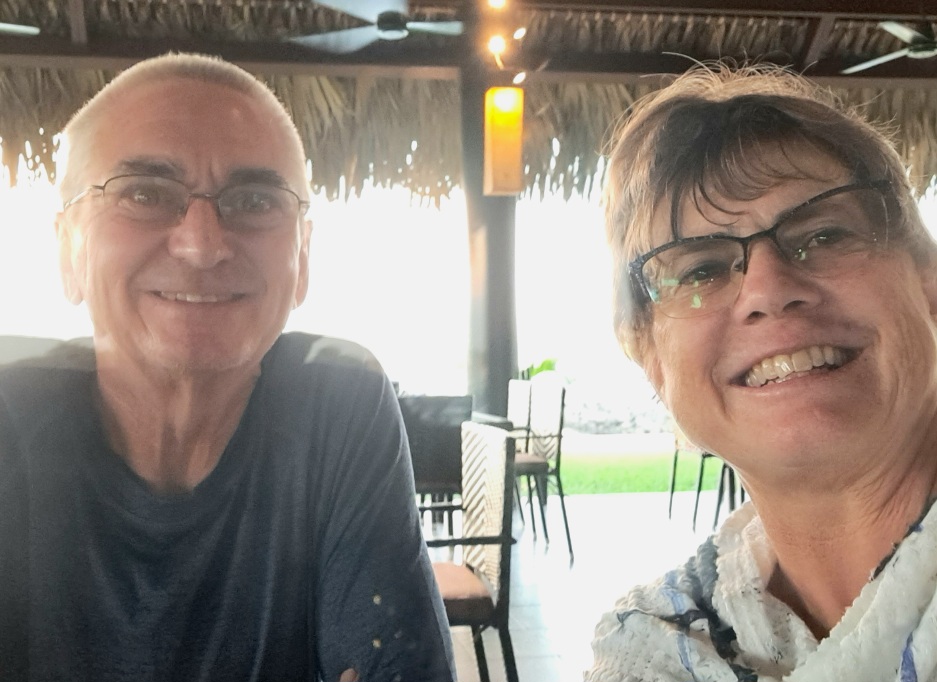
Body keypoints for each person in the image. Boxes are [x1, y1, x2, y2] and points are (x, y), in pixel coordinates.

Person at [0, 52, 455, 682]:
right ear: (68, 249)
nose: (203, 244)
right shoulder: (10, 415)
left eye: (254, 200)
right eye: (143, 194)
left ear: (302, 257)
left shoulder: (337, 405)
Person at [587, 61, 937, 681]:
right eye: (700, 270)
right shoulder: (651, 647)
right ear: (653, 363)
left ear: (929, 285)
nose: (768, 290)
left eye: (824, 235)